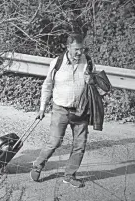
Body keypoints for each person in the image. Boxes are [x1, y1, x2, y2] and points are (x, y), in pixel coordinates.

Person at [30, 33, 104, 188]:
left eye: (82, 49)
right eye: (77, 49)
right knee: (55, 142)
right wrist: (42, 107)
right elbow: (47, 85)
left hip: (81, 110)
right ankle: (38, 165)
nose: (80, 52)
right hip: (60, 109)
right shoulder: (57, 62)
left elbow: (99, 87)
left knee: (80, 145)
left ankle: (70, 175)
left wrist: (92, 81)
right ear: (68, 47)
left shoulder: (88, 62)